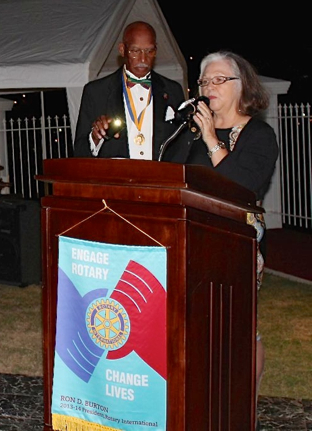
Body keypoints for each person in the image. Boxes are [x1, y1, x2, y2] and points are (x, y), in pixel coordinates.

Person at [166, 50, 278, 427]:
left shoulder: (259, 134)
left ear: (240, 85)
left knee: (241, 326)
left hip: (237, 238)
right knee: (195, 324)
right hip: (189, 237)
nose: (208, 87)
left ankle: (245, 404)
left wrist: (213, 138)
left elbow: (243, 187)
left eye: (218, 80)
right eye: (203, 81)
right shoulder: (190, 133)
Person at [73, 21, 186, 160]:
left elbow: (182, 147)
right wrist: (95, 137)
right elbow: (80, 152)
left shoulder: (172, 90)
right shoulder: (96, 92)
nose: (143, 58)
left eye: (149, 51)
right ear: (122, 50)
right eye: (135, 51)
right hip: (116, 180)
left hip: (161, 180)